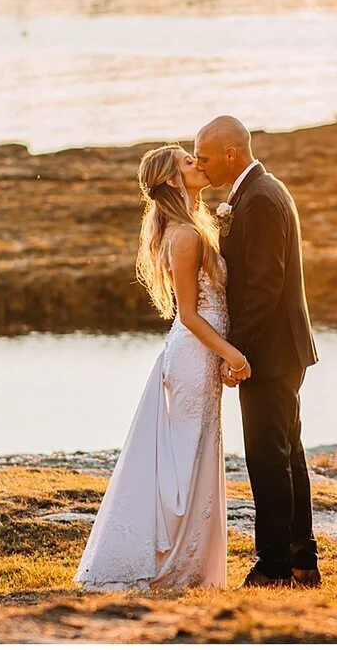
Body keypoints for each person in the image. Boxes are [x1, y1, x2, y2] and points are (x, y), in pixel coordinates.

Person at [73, 143, 246, 591]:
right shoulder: (184, 235)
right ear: (172, 179)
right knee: (186, 459)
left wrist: (223, 352)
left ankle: (191, 561)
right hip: (193, 354)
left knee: (196, 452)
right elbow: (188, 315)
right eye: (189, 162)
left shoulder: (194, 225)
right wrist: (230, 353)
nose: (198, 164)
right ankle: (170, 561)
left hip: (202, 354)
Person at [192, 115, 320, 588]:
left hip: (271, 352)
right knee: (286, 455)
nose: (200, 165)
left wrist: (237, 353)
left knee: (268, 459)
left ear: (231, 153)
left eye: (205, 157)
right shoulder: (256, 192)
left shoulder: (261, 198)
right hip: (282, 348)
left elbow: (265, 286)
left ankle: (273, 566)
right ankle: (302, 561)